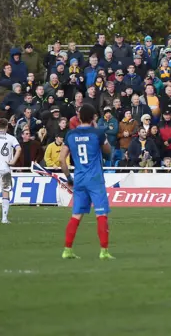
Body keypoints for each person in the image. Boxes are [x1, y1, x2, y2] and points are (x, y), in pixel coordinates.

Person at [59, 104, 114, 260]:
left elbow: (61, 159)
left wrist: (69, 178)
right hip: (95, 179)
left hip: (79, 179)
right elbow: (108, 151)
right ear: (93, 118)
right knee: (101, 214)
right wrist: (98, 130)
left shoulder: (70, 135)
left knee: (76, 215)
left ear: (79, 117)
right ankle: (104, 251)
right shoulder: (98, 133)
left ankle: (67, 250)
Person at [0, 118, 22, 223]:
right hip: (5, 168)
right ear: (7, 126)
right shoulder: (11, 138)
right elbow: (19, 149)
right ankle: (4, 218)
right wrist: (13, 161)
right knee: (5, 191)